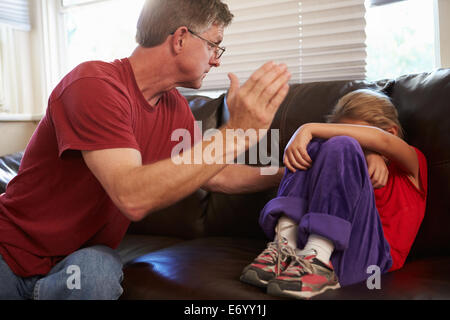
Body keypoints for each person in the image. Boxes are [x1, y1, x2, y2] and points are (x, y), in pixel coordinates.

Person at [0, 0, 291, 300]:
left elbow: (217, 174)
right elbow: (132, 196)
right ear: (180, 38)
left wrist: (287, 173)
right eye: (213, 46)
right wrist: (235, 135)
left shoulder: (174, 107)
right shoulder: (93, 85)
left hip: (78, 259)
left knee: (100, 271)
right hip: (10, 251)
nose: (216, 60)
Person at [240, 88, 428, 299]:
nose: (352, 140)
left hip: (371, 264)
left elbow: (381, 141)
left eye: (355, 133)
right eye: (340, 129)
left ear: (391, 132)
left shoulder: (411, 165)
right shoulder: (339, 160)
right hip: (310, 253)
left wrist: (307, 128)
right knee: (313, 146)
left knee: (340, 144)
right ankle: (285, 245)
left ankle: (318, 259)